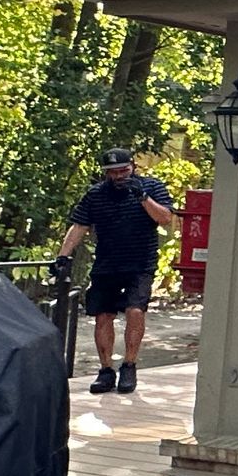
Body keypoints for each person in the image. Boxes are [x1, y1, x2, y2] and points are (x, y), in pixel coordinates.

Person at [54, 148, 175, 395]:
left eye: (123, 171)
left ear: (133, 167)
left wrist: (142, 197)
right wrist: (62, 255)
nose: (119, 176)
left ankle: (129, 364)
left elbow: (165, 218)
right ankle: (106, 369)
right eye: (113, 172)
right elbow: (79, 226)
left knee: (134, 311)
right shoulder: (96, 195)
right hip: (107, 264)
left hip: (140, 263)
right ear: (106, 174)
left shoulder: (151, 187)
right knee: (103, 316)